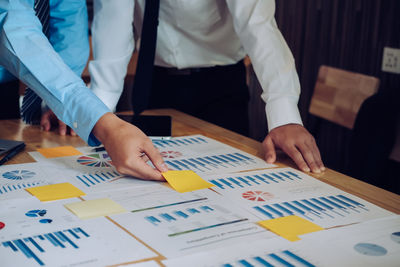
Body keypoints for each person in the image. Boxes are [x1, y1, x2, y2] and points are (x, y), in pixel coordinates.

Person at [88, 0, 325, 173]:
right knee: (150, 175)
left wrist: (284, 115)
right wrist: (95, 114)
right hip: (156, 83)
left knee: (225, 183)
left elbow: (258, 26)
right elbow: (113, 24)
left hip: (220, 87)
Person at [0, 0, 168, 180]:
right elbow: (11, 26)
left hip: (8, 86)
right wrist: (104, 123)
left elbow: (68, 18)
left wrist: (62, 106)